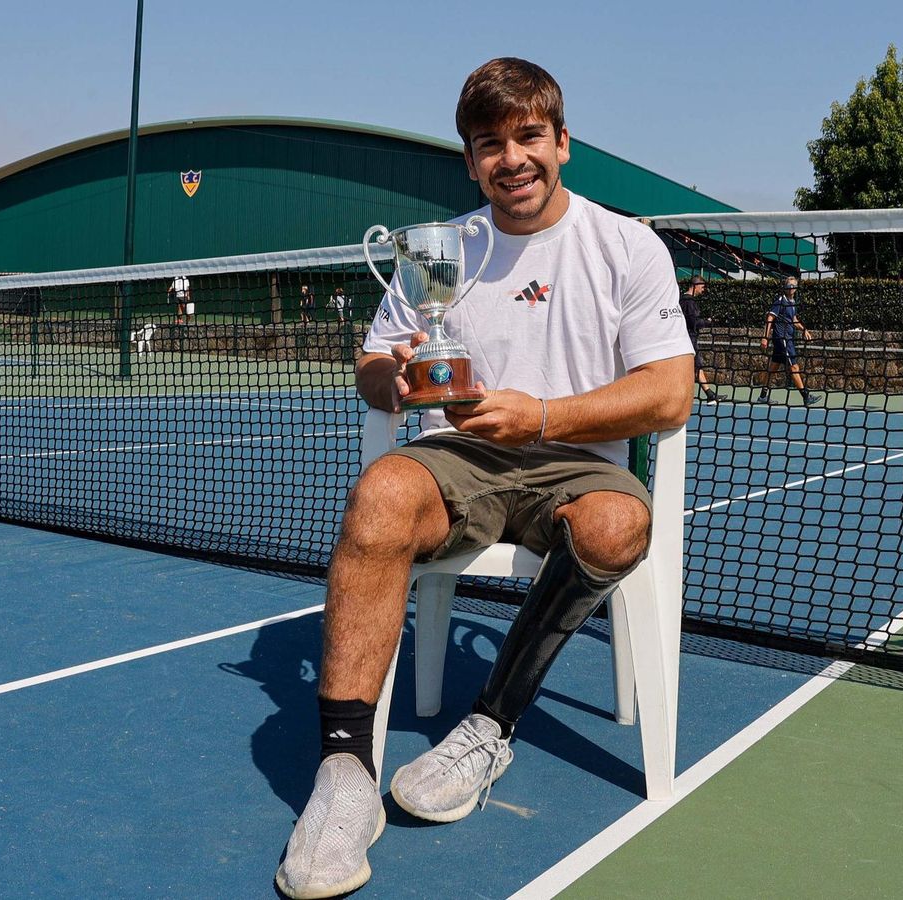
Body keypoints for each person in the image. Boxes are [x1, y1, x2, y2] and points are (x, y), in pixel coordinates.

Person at [275, 57, 692, 899]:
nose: (512, 158)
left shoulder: (626, 246)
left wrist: (539, 417)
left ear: (563, 143)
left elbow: (670, 391)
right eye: (490, 144)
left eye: (529, 136)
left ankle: (489, 726)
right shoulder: (437, 252)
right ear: (470, 161)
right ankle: (346, 778)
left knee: (615, 528)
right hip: (456, 460)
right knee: (378, 496)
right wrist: (388, 380)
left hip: (577, 463)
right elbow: (373, 365)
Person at [756, 277, 823, 405]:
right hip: (783, 339)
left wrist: (804, 330)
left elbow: (793, 319)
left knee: (773, 367)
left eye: (794, 285)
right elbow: (770, 317)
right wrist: (765, 337)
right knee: (794, 366)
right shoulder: (781, 301)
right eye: (789, 285)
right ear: (785, 287)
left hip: (787, 339)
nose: (791, 287)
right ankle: (806, 396)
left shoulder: (792, 302)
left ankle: (763, 396)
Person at [679, 275, 721, 403]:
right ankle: (707, 395)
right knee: (695, 366)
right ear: (696, 286)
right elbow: (693, 323)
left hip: (684, 338)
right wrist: (708, 322)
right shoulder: (689, 302)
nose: (703, 290)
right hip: (689, 339)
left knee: (695, 367)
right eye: (702, 287)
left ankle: (709, 394)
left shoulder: (680, 299)